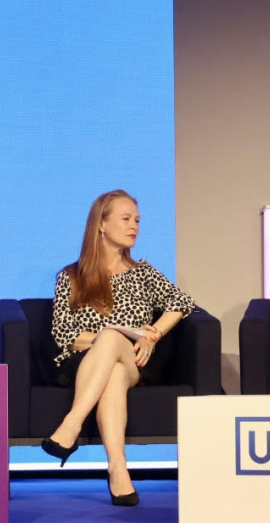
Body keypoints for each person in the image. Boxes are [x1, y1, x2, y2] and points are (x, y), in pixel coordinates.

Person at [41, 190, 195, 506]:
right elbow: (63, 334)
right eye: (125, 219)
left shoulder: (144, 272)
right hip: (84, 362)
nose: (134, 226)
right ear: (101, 224)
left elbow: (181, 304)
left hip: (136, 360)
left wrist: (153, 335)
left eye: (137, 220)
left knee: (113, 341)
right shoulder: (71, 276)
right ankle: (118, 470)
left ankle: (71, 425)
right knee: (110, 355)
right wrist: (105, 339)